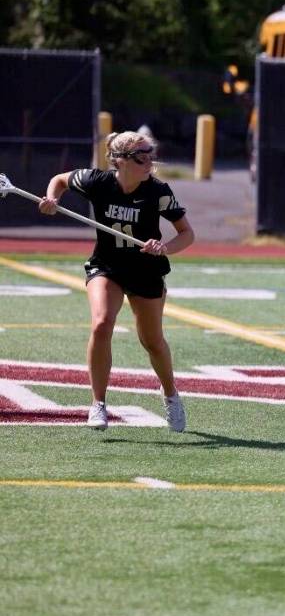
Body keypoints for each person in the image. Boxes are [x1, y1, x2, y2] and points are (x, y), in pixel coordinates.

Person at [39, 131, 195, 431]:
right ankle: (98, 403)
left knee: (152, 341)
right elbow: (59, 180)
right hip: (107, 266)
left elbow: (187, 233)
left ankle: (171, 394)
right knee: (101, 323)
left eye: (151, 156)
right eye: (141, 158)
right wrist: (52, 200)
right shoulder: (97, 181)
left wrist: (164, 247)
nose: (149, 163)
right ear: (120, 161)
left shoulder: (158, 191)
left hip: (146, 270)